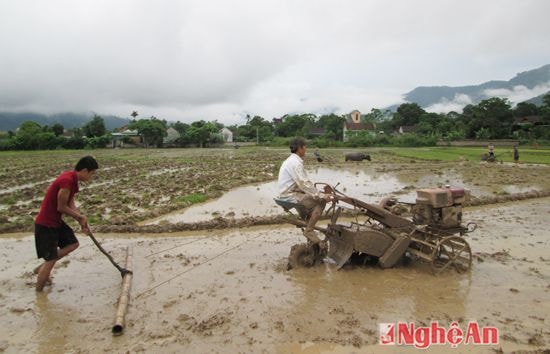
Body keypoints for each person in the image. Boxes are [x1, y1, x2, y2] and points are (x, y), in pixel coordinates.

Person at [34, 156, 98, 291]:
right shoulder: (67, 180)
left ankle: (44, 266)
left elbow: (70, 204)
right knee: (51, 260)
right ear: (85, 170)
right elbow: (61, 207)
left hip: (55, 221)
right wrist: (80, 216)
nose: (91, 177)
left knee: (73, 243)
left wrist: (81, 220)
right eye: (92, 173)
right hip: (46, 224)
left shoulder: (73, 181)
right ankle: (39, 295)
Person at [277, 138, 332, 245]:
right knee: (321, 201)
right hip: (290, 196)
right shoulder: (295, 163)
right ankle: (309, 230)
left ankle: (308, 225)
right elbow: (304, 183)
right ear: (299, 148)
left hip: (289, 193)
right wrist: (321, 195)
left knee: (310, 202)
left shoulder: (290, 161)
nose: (306, 149)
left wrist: (312, 192)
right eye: (305, 147)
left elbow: (299, 185)